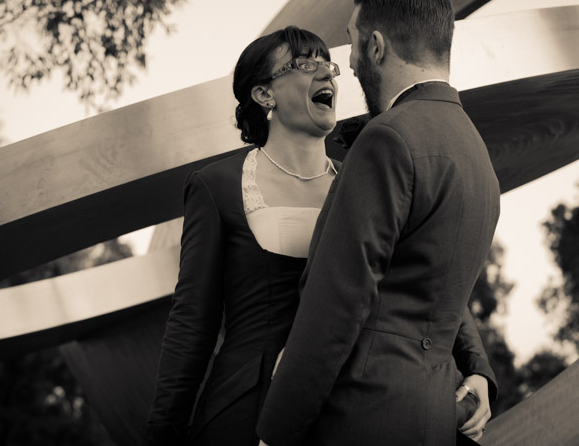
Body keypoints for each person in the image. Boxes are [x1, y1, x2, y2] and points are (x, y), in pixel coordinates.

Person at [142, 25, 495, 446]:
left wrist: (477, 367)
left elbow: (430, 273)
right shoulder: (216, 186)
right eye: (305, 64)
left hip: (353, 407)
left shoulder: (366, 175)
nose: (327, 74)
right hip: (247, 409)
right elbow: (192, 324)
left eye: (328, 64)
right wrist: (162, 433)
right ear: (264, 94)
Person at [256, 0, 501, 446]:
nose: (346, 62)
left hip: (361, 414)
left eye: (350, 42)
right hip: (434, 415)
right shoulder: (475, 151)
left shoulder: (388, 137)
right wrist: (480, 370)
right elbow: (439, 280)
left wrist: (277, 429)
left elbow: (339, 298)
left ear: (376, 45)